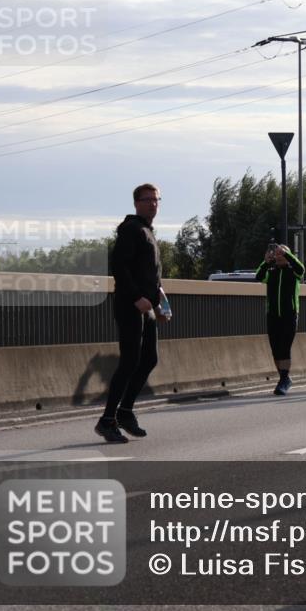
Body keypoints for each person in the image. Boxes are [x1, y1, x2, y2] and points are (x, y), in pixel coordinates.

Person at [96, 183, 169, 443]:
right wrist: (137, 297)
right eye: (148, 199)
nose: (153, 204)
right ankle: (107, 420)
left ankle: (125, 411)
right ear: (136, 203)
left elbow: (150, 274)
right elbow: (119, 266)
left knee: (149, 359)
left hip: (147, 307)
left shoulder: (148, 231)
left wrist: (159, 301)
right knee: (129, 361)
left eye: (156, 199)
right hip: (131, 305)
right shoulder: (131, 229)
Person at [256, 243, 306, 395]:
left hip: (289, 314)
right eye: (276, 255)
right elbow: (258, 276)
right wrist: (266, 261)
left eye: (281, 254)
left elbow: (301, 269)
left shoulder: (293, 271)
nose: (278, 257)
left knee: (285, 347)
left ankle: (284, 379)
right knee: (275, 349)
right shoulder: (271, 271)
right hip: (273, 315)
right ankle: (284, 378)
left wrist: (288, 254)